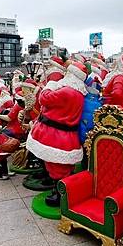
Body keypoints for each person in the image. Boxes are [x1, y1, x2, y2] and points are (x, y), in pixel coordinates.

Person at [26, 60, 87, 206]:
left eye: (67, 73)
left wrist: (50, 85)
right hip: (66, 136)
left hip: (56, 135)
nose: (64, 75)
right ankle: (60, 191)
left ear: (72, 76)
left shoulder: (67, 91)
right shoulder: (78, 93)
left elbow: (43, 99)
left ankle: (60, 195)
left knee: (57, 167)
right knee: (61, 166)